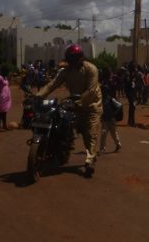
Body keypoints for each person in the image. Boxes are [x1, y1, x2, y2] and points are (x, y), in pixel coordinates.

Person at [34, 44, 102, 178]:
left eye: (74, 57)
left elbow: (91, 91)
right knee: (63, 127)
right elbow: (52, 84)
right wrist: (38, 96)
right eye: (69, 58)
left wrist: (78, 103)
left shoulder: (91, 69)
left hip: (91, 106)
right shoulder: (66, 71)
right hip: (74, 106)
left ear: (80, 57)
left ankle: (90, 161)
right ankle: (60, 154)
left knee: (90, 136)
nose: (72, 61)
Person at [99, 75, 121, 154]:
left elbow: (119, 106)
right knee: (104, 133)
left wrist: (114, 115)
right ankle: (102, 148)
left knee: (113, 133)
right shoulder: (103, 100)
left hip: (110, 118)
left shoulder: (110, 99)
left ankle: (118, 144)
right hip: (106, 119)